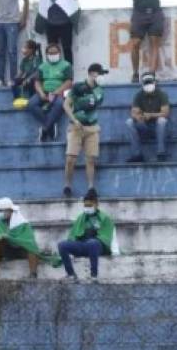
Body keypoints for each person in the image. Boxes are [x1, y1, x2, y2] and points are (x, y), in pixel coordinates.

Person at [128, 0, 173, 82]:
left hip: (155, 13)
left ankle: (151, 75)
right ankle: (135, 73)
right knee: (135, 44)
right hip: (139, 14)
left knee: (155, 44)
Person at [63, 63, 107, 198]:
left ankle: (91, 187)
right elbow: (66, 104)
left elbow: (94, 103)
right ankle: (68, 185)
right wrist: (74, 119)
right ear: (92, 73)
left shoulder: (100, 91)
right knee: (71, 158)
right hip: (76, 126)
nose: (102, 77)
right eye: (100, 74)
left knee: (91, 158)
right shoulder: (77, 87)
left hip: (92, 127)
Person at [0, 197, 58, 279]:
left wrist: (10, 237)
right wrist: (0, 237)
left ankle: (33, 275)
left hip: (22, 251)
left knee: (31, 247)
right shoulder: (0, 222)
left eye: (1, 210)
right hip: (7, 251)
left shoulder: (23, 224)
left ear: (10, 211)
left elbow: (29, 241)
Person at [58, 189, 118, 282]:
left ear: (96, 204)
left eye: (89, 205)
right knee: (62, 245)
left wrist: (96, 236)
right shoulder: (81, 217)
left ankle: (94, 275)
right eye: (85, 205)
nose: (87, 207)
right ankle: (71, 274)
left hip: (97, 247)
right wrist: (81, 236)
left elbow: (106, 237)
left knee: (92, 243)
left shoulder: (104, 218)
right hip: (82, 245)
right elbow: (73, 235)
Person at [27, 43, 73, 142]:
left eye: (55, 53)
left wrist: (56, 92)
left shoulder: (66, 65)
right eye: (50, 53)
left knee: (60, 104)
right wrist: (42, 93)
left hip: (60, 91)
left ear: (59, 53)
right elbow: (37, 82)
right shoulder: (42, 66)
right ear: (47, 54)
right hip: (45, 91)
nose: (53, 55)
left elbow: (69, 81)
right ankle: (50, 125)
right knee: (31, 104)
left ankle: (45, 128)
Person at [126, 72, 170, 163]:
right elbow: (134, 112)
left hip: (157, 127)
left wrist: (151, 115)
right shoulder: (139, 95)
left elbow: (165, 113)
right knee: (129, 122)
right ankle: (137, 154)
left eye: (150, 82)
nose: (148, 85)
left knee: (162, 121)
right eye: (146, 83)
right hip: (144, 127)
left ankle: (161, 153)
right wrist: (139, 117)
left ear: (155, 82)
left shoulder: (161, 94)